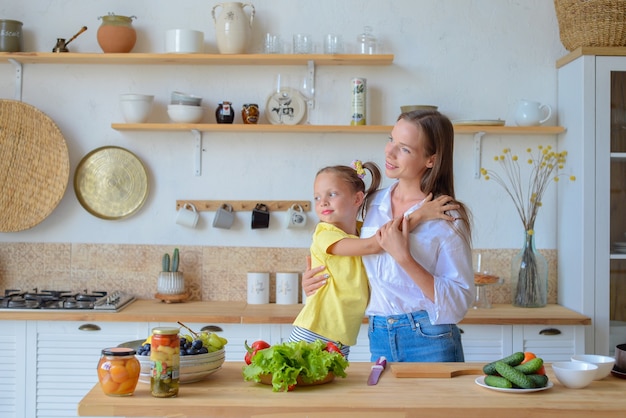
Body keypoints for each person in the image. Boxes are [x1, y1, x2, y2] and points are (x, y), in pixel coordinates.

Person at [302, 110, 474, 362]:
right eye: (390, 139)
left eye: (404, 149)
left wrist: (406, 259)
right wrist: (315, 279)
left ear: (431, 160)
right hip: (379, 335)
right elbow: (341, 246)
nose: (389, 152)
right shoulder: (369, 204)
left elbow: (458, 302)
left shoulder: (445, 214)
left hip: (430, 339)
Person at [289, 160, 457, 358]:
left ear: (357, 198)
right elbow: (376, 243)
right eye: (317, 197)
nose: (322, 202)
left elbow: (381, 237)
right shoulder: (324, 233)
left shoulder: (363, 230)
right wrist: (419, 215)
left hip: (341, 337)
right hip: (314, 330)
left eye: (332, 194)